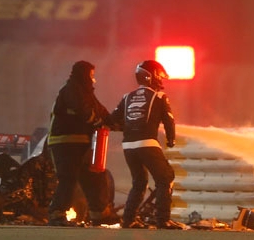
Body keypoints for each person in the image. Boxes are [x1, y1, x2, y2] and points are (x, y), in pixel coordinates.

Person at [103, 59, 180, 229]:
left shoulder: (127, 97)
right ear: (152, 76)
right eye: (160, 77)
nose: (161, 81)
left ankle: (128, 220)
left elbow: (110, 120)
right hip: (148, 144)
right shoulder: (159, 96)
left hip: (128, 147)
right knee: (165, 178)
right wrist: (171, 139)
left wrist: (127, 127)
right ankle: (163, 220)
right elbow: (169, 120)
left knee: (139, 182)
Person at [46, 60, 111, 226]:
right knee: (68, 178)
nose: (93, 79)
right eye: (91, 75)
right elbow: (84, 111)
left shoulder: (86, 93)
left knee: (93, 177)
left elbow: (101, 111)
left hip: (81, 142)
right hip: (64, 142)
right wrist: (97, 121)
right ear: (83, 75)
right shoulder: (71, 90)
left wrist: (117, 121)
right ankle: (57, 213)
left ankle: (99, 214)